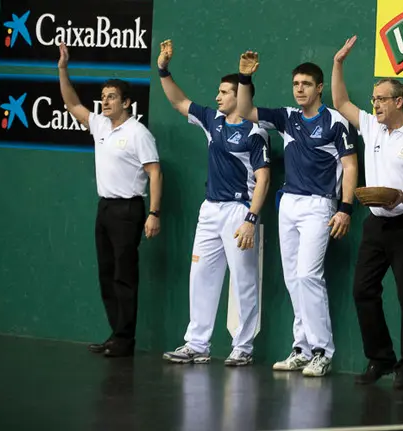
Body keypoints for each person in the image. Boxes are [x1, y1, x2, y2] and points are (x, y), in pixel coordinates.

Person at [331, 35, 403, 389]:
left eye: (382, 99)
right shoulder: (370, 126)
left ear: (399, 101)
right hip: (375, 225)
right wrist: (338, 63)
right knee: (362, 291)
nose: (375, 104)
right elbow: (340, 100)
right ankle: (380, 358)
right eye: (374, 99)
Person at [236, 51, 358, 377]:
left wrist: (345, 209)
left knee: (308, 275)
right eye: (296, 84)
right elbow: (246, 110)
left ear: (320, 88)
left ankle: (323, 350)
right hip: (288, 203)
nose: (299, 89)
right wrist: (246, 78)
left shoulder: (335, 122)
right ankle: (301, 348)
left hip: (320, 206)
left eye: (306, 84)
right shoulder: (288, 117)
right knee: (293, 279)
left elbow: (350, 166)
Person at [154, 40, 271, 366]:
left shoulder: (256, 132)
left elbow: (263, 178)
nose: (217, 97)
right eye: (218, 92)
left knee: (244, 279)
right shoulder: (212, 121)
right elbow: (178, 101)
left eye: (224, 92)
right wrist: (163, 69)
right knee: (201, 276)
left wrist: (251, 218)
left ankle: (243, 347)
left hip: (239, 211)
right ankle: (197, 344)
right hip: (210, 210)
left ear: (239, 97)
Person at [57, 42, 162, 358]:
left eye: (112, 97)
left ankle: (125, 340)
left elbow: (155, 173)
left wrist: (154, 213)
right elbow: (72, 103)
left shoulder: (138, 133)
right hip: (105, 208)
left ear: (127, 102)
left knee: (124, 275)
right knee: (107, 273)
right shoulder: (100, 125)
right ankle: (116, 335)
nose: (105, 101)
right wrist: (63, 69)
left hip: (129, 209)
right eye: (103, 97)